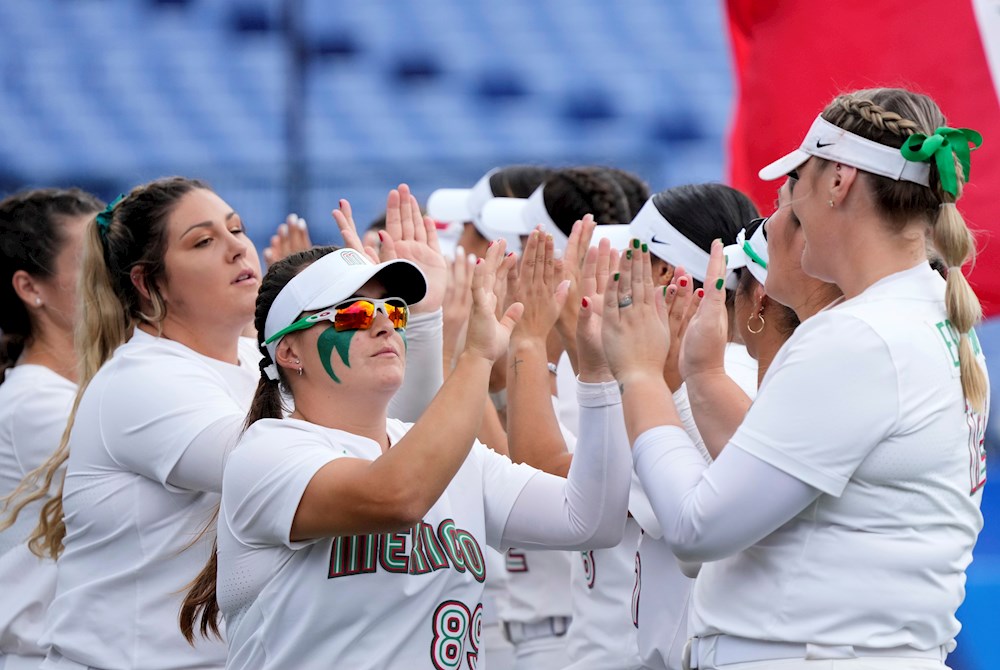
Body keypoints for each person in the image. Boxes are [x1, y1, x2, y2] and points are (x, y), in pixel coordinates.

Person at [603, 87, 988, 670]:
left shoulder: (862, 337)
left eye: (795, 181)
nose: (785, 203)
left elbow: (695, 527)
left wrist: (638, 373)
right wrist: (699, 374)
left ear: (838, 182)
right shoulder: (920, 312)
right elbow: (775, 475)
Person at [178, 240, 633, 669]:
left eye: (393, 311)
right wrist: (475, 356)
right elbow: (397, 496)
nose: (383, 324)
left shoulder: (451, 456)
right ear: (290, 351)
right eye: (353, 313)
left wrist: (598, 376)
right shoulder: (267, 452)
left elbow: (590, 520)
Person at [0, 188, 102, 670]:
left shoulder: (95, 392)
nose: (114, 274)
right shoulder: (34, 403)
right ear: (30, 288)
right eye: (93, 260)